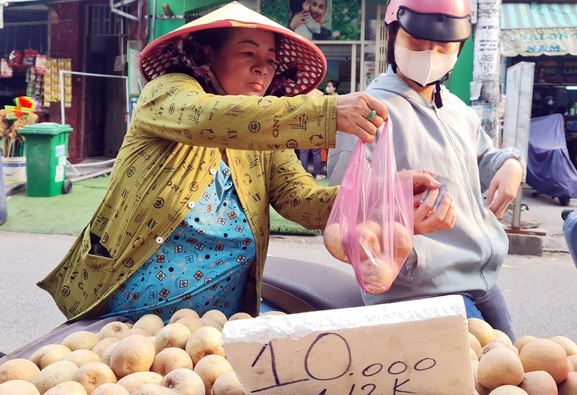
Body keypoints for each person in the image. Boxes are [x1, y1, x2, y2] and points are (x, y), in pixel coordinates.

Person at [37, 2, 442, 323]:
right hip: (127, 311)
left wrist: (386, 190)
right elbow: (206, 117)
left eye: (270, 60)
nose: (262, 68)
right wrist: (325, 112)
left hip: (219, 319)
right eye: (247, 52)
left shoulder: (266, 137)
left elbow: (303, 202)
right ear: (204, 55)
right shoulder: (167, 93)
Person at [327, 0, 525, 340]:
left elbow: (483, 154)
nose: (430, 55)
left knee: (513, 373)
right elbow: (340, 208)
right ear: (392, 36)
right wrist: (395, 210)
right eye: (417, 44)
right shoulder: (368, 113)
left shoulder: (458, 110)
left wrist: (510, 162)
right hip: (417, 291)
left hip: (482, 279)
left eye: (444, 47)